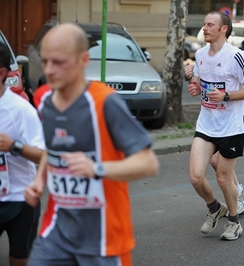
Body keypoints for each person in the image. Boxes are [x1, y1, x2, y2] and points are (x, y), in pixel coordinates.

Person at [23, 23, 159, 266]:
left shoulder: (105, 102)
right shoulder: (43, 97)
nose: (50, 70)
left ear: (83, 60)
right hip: (57, 232)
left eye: (59, 62)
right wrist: (38, 181)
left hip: (104, 238)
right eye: (45, 61)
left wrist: (96, 169)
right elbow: (52, 149)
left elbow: (148, 163)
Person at [185, 11, 244, 241]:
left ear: (223, 29)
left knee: (223, 179)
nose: (204, 28)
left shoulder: (235, 56)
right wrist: (193, 83)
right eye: (204, 24)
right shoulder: (200, 54)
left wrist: (226, 96)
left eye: (210, 24)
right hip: (206, 124)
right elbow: (199, 83)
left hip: (230, 127)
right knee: (196, 177)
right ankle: (215, 208)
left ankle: (234, 222)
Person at [184, 62, 244, 216]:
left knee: (218, 163)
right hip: (213, 117)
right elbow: (203, 83)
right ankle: (238, 190)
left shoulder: (235, 56)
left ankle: (238, 193)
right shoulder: (205, 55)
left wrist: (231, 88)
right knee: (214, 161)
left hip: (233, 114)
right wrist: (191, 80)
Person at [0, 42, 45, 266]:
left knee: (19, 260)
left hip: (21, 200)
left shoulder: (21, 109)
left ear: (1, 73)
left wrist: (13, 146)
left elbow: (45, 156)